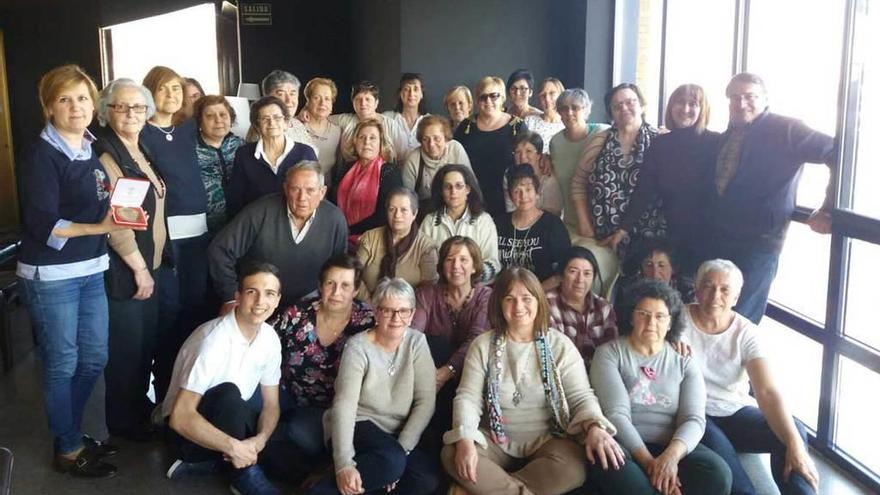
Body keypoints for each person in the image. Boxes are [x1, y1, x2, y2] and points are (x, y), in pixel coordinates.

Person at [17, 64, 123, 478]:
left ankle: (72, 432)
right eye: (64, 99)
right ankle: (67, 446)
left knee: (94, 357)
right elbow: (45, 223)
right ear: (48, 108)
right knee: (63, 362)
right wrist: (103, 227)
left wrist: (121, 211)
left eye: (81, 97)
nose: (75, 106)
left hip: (91, 266)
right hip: (52, 275)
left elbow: (95, 204)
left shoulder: (89, 149)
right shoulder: (39, 154)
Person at [441, 267, 621, 495]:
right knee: (451, 453)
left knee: (573, 468)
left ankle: (485, 489)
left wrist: (594, 426)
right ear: (499, 303)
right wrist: (466, 440)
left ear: (539, 301)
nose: (519, 307)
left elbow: (580, 396)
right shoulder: (483, 345)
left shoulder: (560, 345)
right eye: (510, 299)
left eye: (526, 298)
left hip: (549, 437)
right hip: (495, 439)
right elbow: (468, 397)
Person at [705, 73, 836, 324]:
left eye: (750, 97)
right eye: (735, 98)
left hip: (759, 243)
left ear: (765, 99)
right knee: (715, 314)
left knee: (741, 320)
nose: (742, 103)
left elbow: (836, 153)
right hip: (721, 238)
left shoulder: (787, 129)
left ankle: (741, 365)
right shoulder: (729, 134)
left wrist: (827, 208)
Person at [683, 259, 819, 495]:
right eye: (708, 286)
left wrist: (795, 444)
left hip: (736, 411)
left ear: (736, 298)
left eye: (725, 289)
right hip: (696, 414)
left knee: (794, 432)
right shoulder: (676, 321)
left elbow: (766, 391)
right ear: (697, 290)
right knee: (739, 486)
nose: (716, 295)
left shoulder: (746, 332)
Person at [590, 279, 732, 495]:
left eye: (660, 316)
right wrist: (650, 464)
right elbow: (616, 415)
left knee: (718, 473)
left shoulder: (683, 360)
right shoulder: (609, 354)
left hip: (670, 445)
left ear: (670, 322)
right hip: (624, 445)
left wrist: (670, 458)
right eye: (643, 314)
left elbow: (694, 419)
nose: (651, 323)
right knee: (636, 488)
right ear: (631, 316)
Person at [308, 278, 439, 495]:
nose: (396, 318)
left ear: (412, 314)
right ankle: (321, 489)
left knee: (426, 479)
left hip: (396, 435)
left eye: (403, 311)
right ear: (376, 313)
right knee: (390, 462)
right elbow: (345, 406)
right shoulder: (358, 347)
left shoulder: (417, 343)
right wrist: (344, 464)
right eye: (388, 311)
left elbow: (426, 402)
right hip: (359, 424)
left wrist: (402, 450)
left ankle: (373, 475)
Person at [163, 261, 284, 495]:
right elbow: (180, 417)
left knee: (287, 456)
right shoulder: (213, 341)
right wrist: (235, 448)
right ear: (237, 296)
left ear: (278, 299)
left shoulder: (270, 338)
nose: (260, 302)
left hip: (229, 421)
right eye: (252, 292)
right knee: (229, 395)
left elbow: (271, 404)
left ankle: (209, 466)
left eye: (269, 293)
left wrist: (258, 441)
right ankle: (241, 476)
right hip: (186, 434)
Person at [94, 78, 168, 441]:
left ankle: (138, 414)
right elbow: (117, 225)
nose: (130, 114)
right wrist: (140, 270)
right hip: (126, 272)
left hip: (148, 266)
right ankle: (123, 426)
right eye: (121, 107)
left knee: (141, 348)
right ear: (106, 112)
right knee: (125, 352)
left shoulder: (138, 149)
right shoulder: (108, 155)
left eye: (138, 107)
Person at [141, 65, 214, 403]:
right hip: (165, 237)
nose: (171, 95)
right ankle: (165, 389)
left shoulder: (187, 130)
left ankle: (193, 388)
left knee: (196, 306)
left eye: (176, 89)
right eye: (163, 89)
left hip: (198, 233)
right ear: (149, 93)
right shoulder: (141, 134)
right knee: (168, 311)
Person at [602, 84, 721, 278]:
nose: (685, 109)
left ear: (703, 108)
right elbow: (644, 189)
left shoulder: (716, 143)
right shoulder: (660, 144)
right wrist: (622, 230)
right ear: (671, 107)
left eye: (693, 104)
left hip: (709, 235)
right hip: (672, 233)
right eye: (679, 103)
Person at [273, 253, 375, 458]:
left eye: (345, 285)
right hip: (285, 396)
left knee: (302, 436)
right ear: (320, 285)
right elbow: (264, 342)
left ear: (355, 290)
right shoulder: (296, 314)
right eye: (330, 283)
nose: (336, 292)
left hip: (334, 411)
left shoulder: (367, 323)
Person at [209, 162, 348, 308]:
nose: (302, 198)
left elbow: (338, 270)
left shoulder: (335, 219)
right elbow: (219, 250)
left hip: (308, 307)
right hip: (259, 303)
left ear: (322, 192)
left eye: (310, 190)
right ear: (286, 189)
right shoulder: (261, 211)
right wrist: (230, 296)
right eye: (295, 189)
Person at [225, 96, 318, 218]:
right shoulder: (244, 154)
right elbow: (236, 199)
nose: (272, 123)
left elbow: (314, 195)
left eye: (277, 118)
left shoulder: (305, 153)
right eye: (265, 119)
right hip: (257, 224)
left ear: (286, 123)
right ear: (257, 126)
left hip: (296, 223)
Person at [454, 76, 527, 219]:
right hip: (472, 197)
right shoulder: (466, 127)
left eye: (494, 96)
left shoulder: (517, 126)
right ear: (477, 101)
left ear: (503, 98)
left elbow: (528, 160)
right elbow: (453, 158)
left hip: (508, 197)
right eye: (483, 97)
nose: (488, 101)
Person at [419, 164, 501, 282]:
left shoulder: (483, 221)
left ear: (468, 189)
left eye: (459, 186)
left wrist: (465, 279)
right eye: (448, 187)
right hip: (439, 290)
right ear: (441, 191)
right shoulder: (430, 221)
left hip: (475, 290)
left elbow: (493, 263)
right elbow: (423, 260)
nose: (453, 192)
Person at [329, 118, 404, 244]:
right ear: (355, 141)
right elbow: (332, 202)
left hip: (373, 239)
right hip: (339, 234)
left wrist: (349, 229)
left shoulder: (390, 171)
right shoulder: (346, 167)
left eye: (372, 138)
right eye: (362, 137)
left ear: (381, 143)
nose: (366, 142)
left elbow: (385, 214)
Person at [356, 188, 438, 298]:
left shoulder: (426, 247)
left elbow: (428, 290)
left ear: (414, 214)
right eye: (392, 209)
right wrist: (370, 304)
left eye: (403, 210)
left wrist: (401, 309)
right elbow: (354, 273)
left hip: (408, 310)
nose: (397, 215)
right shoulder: (370, 238)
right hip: (368, 305)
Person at [548, 88, 609, 232]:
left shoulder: (603, 133)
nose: (569, 113)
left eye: (575, 107)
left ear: (586, 110)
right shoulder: (555, 142)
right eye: (564, 108)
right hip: (570, 224)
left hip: (604, 225)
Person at [497, 165, 570, 283]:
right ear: (510, 196)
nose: (523, 196)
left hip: (542, 293)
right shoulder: (498, 224)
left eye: (528, 189)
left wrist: (536, 294)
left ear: (537, 193)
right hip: (505, 292)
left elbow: (561, 274)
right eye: (517, 191)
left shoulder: (553, 225)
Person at [547, 247, 618, 366]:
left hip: (600, 371)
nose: (580, 280)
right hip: (565, 372)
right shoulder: (548, 304)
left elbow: (613, 352)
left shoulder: (603, 307)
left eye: (587, 273)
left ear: (593, 277)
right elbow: (555, 352)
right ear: (561, 275)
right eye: (573, 271)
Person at [194, 95, 245, 234]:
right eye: (210, 116)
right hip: (202, 227)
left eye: (223, 114)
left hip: (240, 223)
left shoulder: (241, 145)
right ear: (199, 121)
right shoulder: (189, 149)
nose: (218, 120)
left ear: (231, 118)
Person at [401, 114, 472, 211]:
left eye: (436, 138)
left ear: (446, 138)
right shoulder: (413, 160)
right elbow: (405, 199)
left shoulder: (456, 149)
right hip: (426, 211)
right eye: (426, 139)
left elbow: (470, 185)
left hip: (457, 206)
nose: (431, 144)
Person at [327, 81, 402, 163]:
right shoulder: (344, 120)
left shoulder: (390, 125)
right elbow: (322, 117)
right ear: (353, 103)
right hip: (349, 172)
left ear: (376, 103)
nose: (363, 103)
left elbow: (403, 155)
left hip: (384, 172)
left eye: (367, 99)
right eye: (358, 99)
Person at [617, 237, 696, 304]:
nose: (655, 273)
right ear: (641, 268)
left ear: (673, 269)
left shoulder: (687, 292)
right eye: (649, 265)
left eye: (661, 265)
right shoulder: (629, 291)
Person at [503, 131, 563, 216]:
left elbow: (553, 214)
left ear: (539, 155)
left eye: (528, 151)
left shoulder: (549, 177)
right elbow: (511, 209)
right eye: (517, 152)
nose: (523, 157)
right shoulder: (509, 174)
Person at [260, 69, 316, 154]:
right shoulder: (265, 128)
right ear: (267, 98)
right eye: (281, 94)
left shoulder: (297, 124)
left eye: (292, 93)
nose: (289, 100)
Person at [301, 77, 342, 179]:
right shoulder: (297, 127)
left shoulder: (338, 131)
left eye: (327, 99)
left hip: (326, 190)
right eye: (316, 98)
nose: (322, 103)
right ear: (308, 101)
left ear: (332, 104)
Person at [383, 73, 429, 157]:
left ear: (421, 94)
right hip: (392, 168)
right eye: (407, 89)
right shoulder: (386, 118)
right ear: (400, 94)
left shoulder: (430, 121)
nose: (411, 94)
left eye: (416, 89)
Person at [523, 77, 565, 153]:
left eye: (552, 93)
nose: (547, 99)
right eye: (543, 95)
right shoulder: (530, 121)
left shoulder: (566, 125)